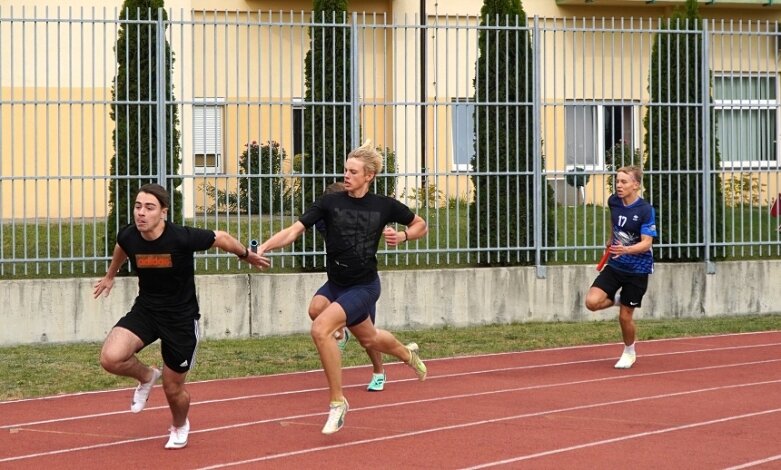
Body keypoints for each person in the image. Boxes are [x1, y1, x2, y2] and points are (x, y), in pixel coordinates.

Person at [257, 140, 428, 434]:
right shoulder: (329, 202)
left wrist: (403, 237)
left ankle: (338, 402)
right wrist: (265, 247)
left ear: (369, 176)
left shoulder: (383, 205)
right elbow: (295, 230)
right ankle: (406, 355)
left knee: (320, 328)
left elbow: (421, 224)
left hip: (364, 286)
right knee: (369, 338)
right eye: (345, 170)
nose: (346, 175)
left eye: (352, 171)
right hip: (336, 284)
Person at [93, 183, 269, 449]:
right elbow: (121, 246)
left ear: (163, 212)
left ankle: (179, 425)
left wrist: (245, 254)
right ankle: (145, 376)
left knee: (173, 389)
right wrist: (110, 276)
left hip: (180, 319)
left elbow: (220, 237)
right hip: (147, 310)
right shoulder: (129, 235)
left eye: (149, 208)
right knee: (110, 357)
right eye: (138, 207)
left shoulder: (181, 237)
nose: (141, 213)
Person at [314, 181, 387, 392]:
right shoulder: (325, 222)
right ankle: (340, 330)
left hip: (361, 284)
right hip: (338, 281)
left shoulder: (360, 220)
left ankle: (379, 371)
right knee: (316, 309)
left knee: (369, 339)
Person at [585, 165, 657, 369]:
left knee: (625, 317)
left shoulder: (645, 210)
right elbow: (616, 223)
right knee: (591, 302)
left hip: (638, 270)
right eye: (617, 181)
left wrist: (626, 249)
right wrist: (611, 239)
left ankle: (629, 351)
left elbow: (646, 243)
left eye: (624, 182)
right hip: (615, 264)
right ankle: (619, 299)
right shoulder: (614, 201)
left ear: (636, 185)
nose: (619, 185)